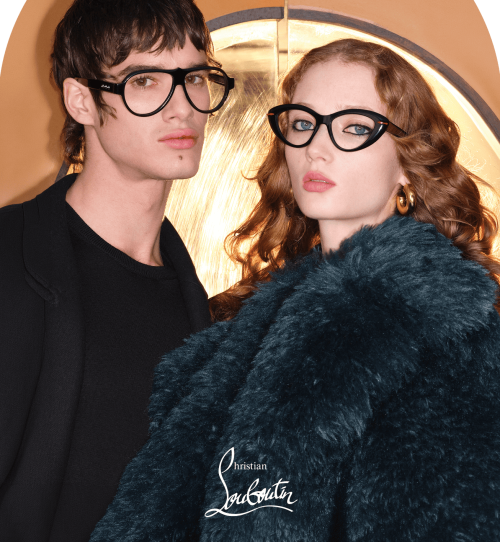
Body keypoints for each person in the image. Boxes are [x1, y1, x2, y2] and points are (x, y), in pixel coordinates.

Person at [90, 38, 500, 541]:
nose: (316, 148)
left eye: (354, 127)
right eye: (303, 124)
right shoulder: (250, 323)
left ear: (407, 161)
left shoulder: (451, 336)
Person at [0, 0, 234, 542]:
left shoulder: (196, 302)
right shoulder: (10, 257)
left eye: (194, 78)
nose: (184, 107)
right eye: (146, 81)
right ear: (81, 100)